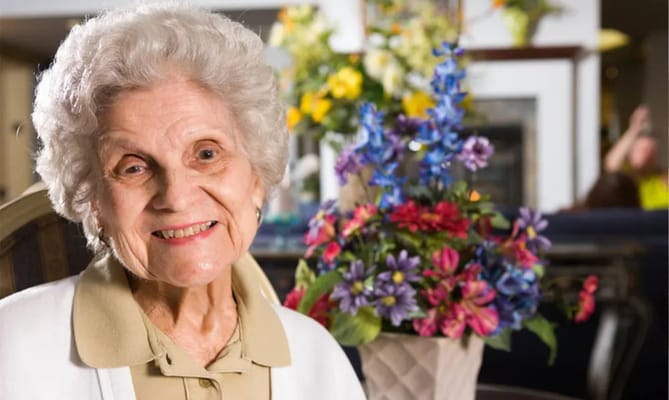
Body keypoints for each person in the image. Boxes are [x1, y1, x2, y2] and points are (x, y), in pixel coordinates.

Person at [0, 4, 365, 400]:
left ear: (256, 177)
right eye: (133, 167)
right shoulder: (13, 345)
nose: (176, 196)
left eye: (206, 154)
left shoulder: (316, 355)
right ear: (92, 201)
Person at [604, 104, 669, 209]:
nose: (647, 154)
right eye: (642, 150)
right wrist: (634, 129)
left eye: (651, 150)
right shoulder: (628, 179)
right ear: (630, 155)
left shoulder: (663, 177)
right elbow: (612, 164)